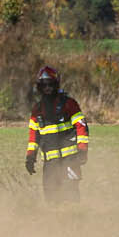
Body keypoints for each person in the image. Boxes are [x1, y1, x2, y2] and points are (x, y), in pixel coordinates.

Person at [24, 65, 88, 203]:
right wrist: (30, 157)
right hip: (50, 164)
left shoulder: (69, 104)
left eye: (50, 84)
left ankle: (76, 216)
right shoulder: (37, 110)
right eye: (44, 85)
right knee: (51, 199)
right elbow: (33, 137)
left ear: (56, 84)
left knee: (71, 196)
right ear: (39, 87)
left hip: (70, 160)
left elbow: (81, 126)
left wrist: (82, 149)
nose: (47, 88)